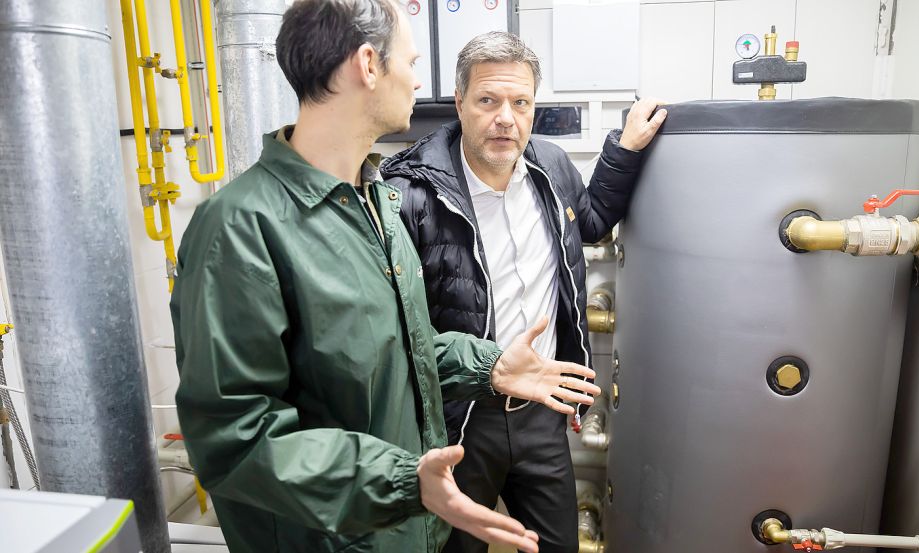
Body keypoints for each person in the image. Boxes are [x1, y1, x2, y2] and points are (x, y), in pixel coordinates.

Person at [169, 4, 600, 553]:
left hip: (402, 533)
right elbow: (235, 438)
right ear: (370, 64)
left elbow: (404, 357)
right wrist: (400, 481)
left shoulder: (376, 206)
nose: (419, 80)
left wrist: (488, 365)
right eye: (412, 61)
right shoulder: (240, 226)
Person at [381, 31, 666, 553]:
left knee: (557, 544)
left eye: (520, 102)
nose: (505, 118)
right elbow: (394, 330)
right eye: (488, 100)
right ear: (460, 103)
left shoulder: (550, 166)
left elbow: (593, 219)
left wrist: (625, 149)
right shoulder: (408, 193)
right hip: (461, 420)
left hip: (540, 413)